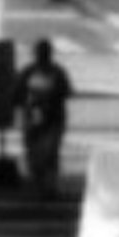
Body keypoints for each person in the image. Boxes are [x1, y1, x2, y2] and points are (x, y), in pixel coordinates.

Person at [13, 36, 74, 202]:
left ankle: (49, 188)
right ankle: (41, 186)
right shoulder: (28, 72)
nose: (43, 56)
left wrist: (47, 98)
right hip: (33, 121)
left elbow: (67, 91)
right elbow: (16, 95)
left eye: (44, 53)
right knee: (36, 157)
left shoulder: (57, 72)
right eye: (41, 53)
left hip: (53, 120)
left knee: (50, 155)